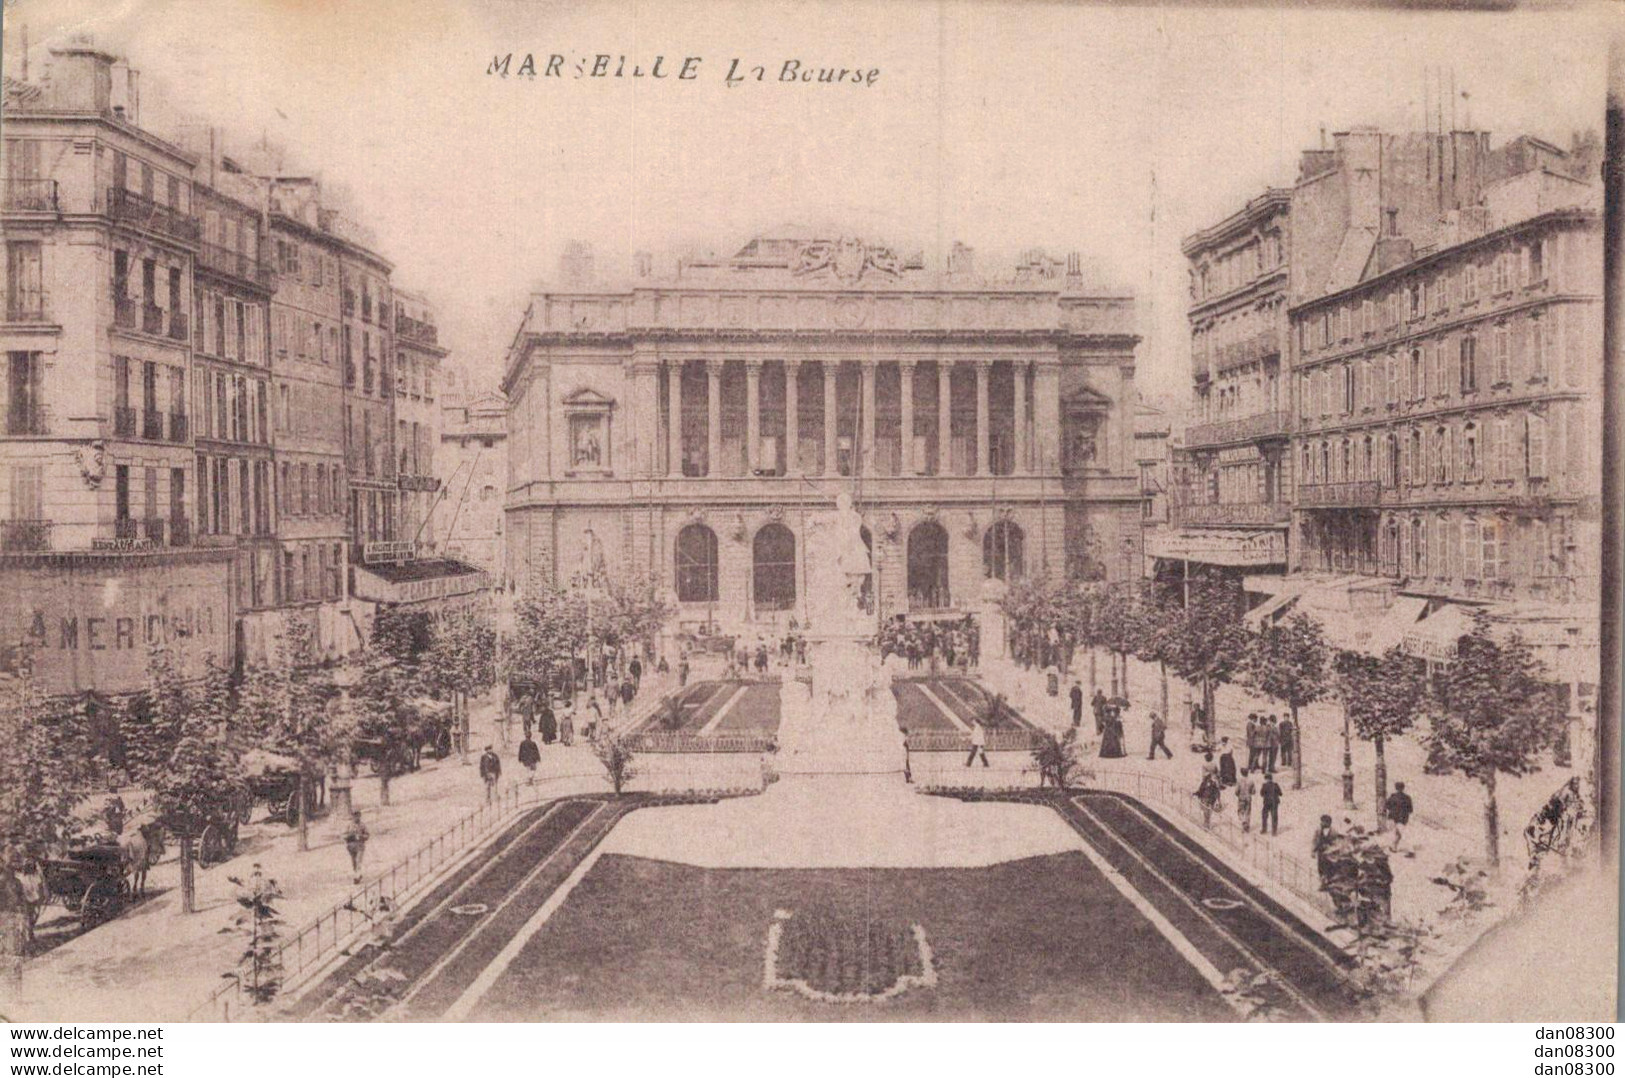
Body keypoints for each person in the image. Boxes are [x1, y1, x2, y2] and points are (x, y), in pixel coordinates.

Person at [1384, 781, 1414, 850]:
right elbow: (1410, 810)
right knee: (1401, 834)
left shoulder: (1393, 797)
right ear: (1403, 788)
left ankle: (1408, 850)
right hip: (1402, 818)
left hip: (1392, 817)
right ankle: (1395, 847)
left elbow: (1387, 806)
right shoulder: (1407, 797)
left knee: (1398, 834)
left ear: (1396, 788)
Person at [343, 810, 370, 884]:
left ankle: (356, 877)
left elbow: (367, 835)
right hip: (351, 846)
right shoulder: (349, 825)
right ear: (352, 816)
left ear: (360, 816)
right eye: (354, 816)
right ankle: (358, 874)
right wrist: (350, 835)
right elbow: (343, 835)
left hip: (360, 846)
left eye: (357, 816)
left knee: (358, 861)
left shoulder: (362, 825)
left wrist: (361, 837)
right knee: (354, 862)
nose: (356, 817)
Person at [1312, 814, 1338, 886]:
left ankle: (1329, 881)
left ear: (1328, 823)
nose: (1321, 823)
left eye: (1323, 822)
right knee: (1320, 866)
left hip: (1329, 853)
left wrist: (1330, 847)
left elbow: (1336, 844)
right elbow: (1314, 841)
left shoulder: (1334, 832)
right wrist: (1313, 851)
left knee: (1329, 867)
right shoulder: (1318, 830)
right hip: (1321, 852)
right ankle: (1322, 881)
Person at [1259, 772, 1283, 836]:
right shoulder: (1276, 785)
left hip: (1267, 802)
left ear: (1266, 779)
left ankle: (1264, 829)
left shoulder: (1264, 785)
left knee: (1264, 816)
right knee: (1274, 816)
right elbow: (1281, 793)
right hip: (1274, 803)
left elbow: (1261, 794)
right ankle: (1274, 832)